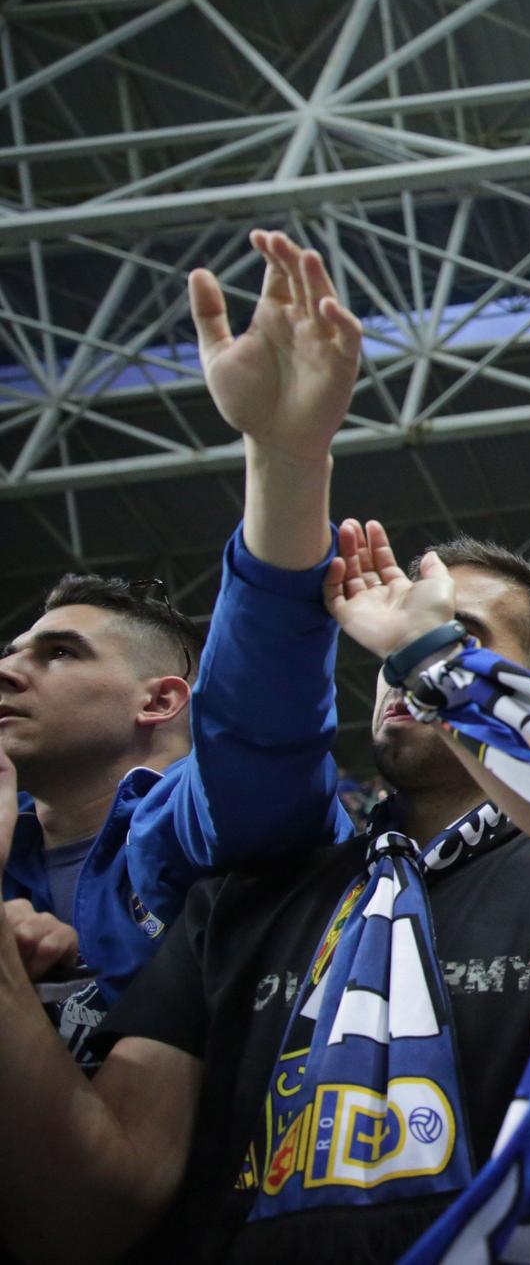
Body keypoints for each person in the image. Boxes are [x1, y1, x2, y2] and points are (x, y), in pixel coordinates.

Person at [0, 505, 530, 1262]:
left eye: (453, 637)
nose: (403, 665)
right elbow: (95, 1206)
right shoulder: (241, 895)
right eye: (395, 640)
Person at [1, 230, 365, 1061]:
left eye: (59, 652)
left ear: (162, 699)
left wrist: (283, 458)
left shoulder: (177, 833)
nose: (9, 668)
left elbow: (258, 727)